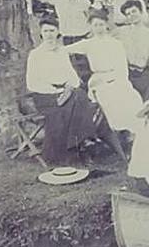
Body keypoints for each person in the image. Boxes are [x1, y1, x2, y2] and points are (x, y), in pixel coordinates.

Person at [26, 16, 119, 165]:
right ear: (41, 33)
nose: (49, 34)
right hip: (45, 95)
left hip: (67, 91)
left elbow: (72, 76)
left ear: (57, 32)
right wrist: (56, 92)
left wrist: (69, 87)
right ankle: (78, 146)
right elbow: (32, 83)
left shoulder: (62, 52)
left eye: (52, 30)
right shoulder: (35, 55)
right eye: (46, 31)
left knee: (79, 97)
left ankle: (73, 148)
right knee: (74, 104)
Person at [66, 11, 145, 138]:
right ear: (91, 27)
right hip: (99, 80)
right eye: (95, 25)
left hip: (117, 78)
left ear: (106, 25)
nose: (99, 28)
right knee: (110, 98)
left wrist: (122, 81)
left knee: (132, 97)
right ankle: (118, 131)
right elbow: (65, 50)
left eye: (101, 24)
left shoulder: (116, 44)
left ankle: (135, 132)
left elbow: (122, 67)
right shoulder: (88, 44)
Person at [25, 0, 93, 82]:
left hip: (82, 37)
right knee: (68, 66)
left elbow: (90, 18)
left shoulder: (84, 2)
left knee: (84, 66)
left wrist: (90, 33)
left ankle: (86, 93)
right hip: (66, 37)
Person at [116, 0, 149, 101]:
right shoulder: (121, 33)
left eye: (134, 11)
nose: (131, 15)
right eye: (128, 14)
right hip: (125, 73)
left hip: (143, 73)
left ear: (141, 12)